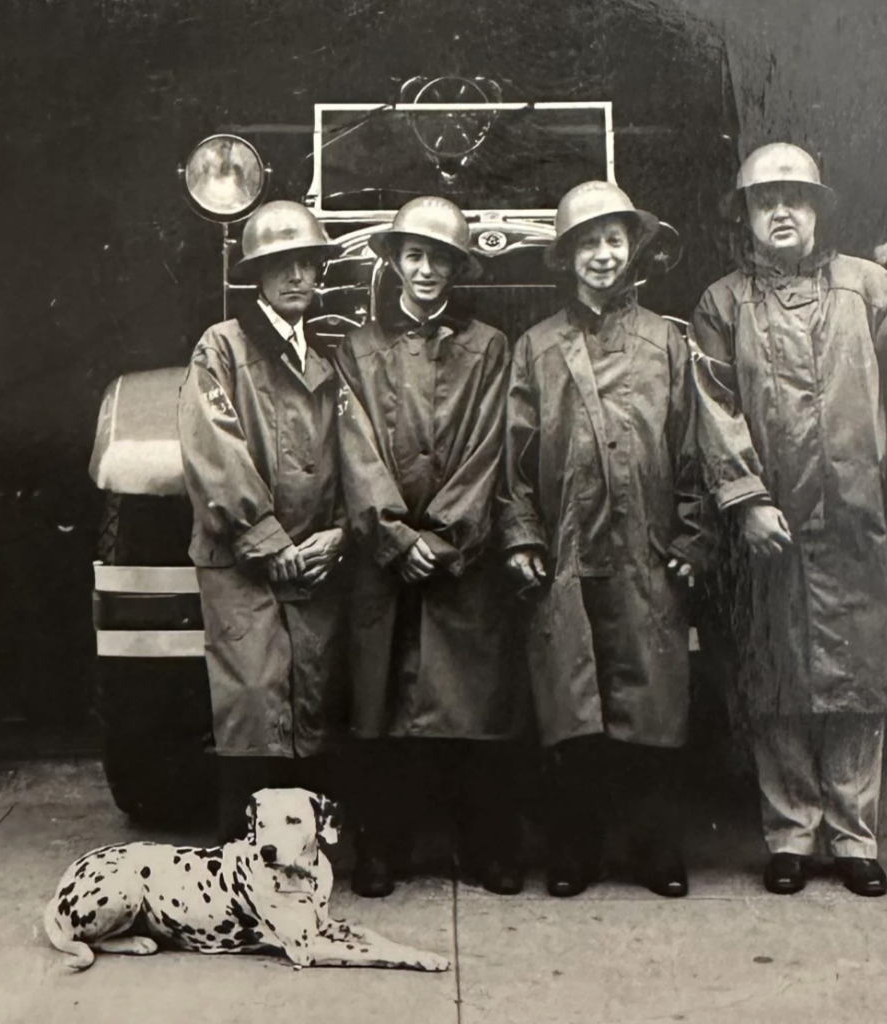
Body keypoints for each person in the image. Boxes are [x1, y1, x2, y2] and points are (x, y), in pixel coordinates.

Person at [691, 143, 887, 897]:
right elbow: (712, 407)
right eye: (765, 199)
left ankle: (853, 833)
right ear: (744, 215)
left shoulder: (871, 290)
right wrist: (744, 498)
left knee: (859, 681)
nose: (781, 211)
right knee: (777, 677)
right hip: (769, 531)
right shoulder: (723, 303)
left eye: (795, 198)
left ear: (817, 210)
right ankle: (790, 833)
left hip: (859, 522)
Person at [500, 181, 711, 898]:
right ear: (568, 258)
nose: (601, 253)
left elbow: (695, 448)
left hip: (647, 548)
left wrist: (693, 535)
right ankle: (576, 852)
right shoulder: (536, 348)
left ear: (633, 249)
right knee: (573, 707)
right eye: (586, 242)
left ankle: (654, 853)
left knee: (652, 704)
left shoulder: (667, 343)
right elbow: (515, 458)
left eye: (613, 240)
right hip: (566, 549)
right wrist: (522, 536)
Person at [335, 196, 525, 898]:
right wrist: (391, 536)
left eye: (439, 258)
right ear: (395, 261)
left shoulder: (489, 347)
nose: (425, 269)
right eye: (414, 255)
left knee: (469, 707)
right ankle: (381, 849)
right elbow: (353, 447)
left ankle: (484, 849)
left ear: (456, 267)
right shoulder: (357, 349)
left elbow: (489, 448)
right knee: (383, 710)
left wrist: (442, 537)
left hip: (459, 559)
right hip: (382, 560)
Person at [178, 200, 347, 841]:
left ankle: (301, 872)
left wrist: (344, 532)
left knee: (309, 707)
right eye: (282, 265)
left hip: (318, 561)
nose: (297, 276)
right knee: (253, 706)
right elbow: (213, 447)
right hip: (244, 565)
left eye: (307, 262)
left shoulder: (327, 354)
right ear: (258, 274)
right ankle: (236, 873)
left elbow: (357, 455)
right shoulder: (221, 347)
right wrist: (264, 537)